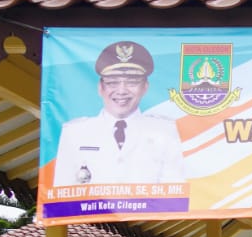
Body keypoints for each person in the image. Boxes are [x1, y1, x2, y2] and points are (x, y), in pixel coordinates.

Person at [52, 40, 184, 187]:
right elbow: (61, 192)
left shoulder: (164, 131)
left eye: (132, 82)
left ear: (145, 87)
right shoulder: (74, 132)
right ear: (100, 87)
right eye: (112, 82)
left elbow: (174, 192)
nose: (121, 91)